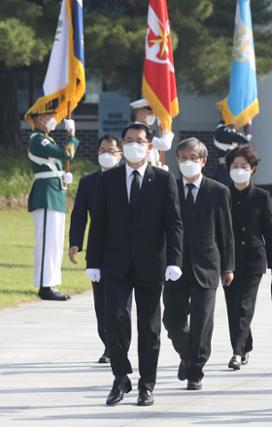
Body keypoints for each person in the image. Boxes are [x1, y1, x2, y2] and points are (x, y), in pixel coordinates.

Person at [86, 123, 183, 407]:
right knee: (114, 318)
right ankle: (120, 378)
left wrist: (174, 260)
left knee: (149, 328)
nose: (133, 145)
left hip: (152, 264)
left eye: (138, 140)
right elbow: (99, 223)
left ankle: (147, 384)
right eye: (128, 140)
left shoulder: (164, 180)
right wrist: (94, 262)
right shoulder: (109, 179)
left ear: (149, 146)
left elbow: (174, 224)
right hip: (115, 263)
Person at [163, 138, 235, 391]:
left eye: (193, 158)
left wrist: (228, 267)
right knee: (172, 320)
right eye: (183, 158)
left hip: (207, 265)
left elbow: (226, 233)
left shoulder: (218, 191)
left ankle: (196, 369)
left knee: (202, 322)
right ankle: (187, 354)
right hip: (174, 266)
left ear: (203, 161)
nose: (188, 162)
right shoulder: (167, 188)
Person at [68, 135, 124, 363]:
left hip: (125, 250)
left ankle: (119, 345)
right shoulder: (89, 183)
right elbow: (79, 215)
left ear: (120, 154)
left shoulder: (128, 181)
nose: (106, 154)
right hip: (98, 251)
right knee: (101, 305)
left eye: (111, 150)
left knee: (120, 306)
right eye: (102, 150)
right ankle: (109, 345)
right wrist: (75, 243)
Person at [224, 145, 272, 370]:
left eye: (243, 166)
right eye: (235, 166)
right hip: (229, 261)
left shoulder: (261, 196)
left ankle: (237, 352)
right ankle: (247, 344)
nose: (239, 170)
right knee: (233, 307)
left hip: (254, 259)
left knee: (245, 306)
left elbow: (268, 231)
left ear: (252, 169)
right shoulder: (222, 194)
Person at [27, 110, 79, 301]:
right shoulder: (37, 139)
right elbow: (66, 154)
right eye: (48, 117)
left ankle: (51, 282)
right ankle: (44, 285)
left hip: (55, 191)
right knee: (47, 242)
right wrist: (72, 136)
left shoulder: (46, 139)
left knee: (55, 242)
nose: (53, 120)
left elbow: (58, 161)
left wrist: (63, 179)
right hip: (46, 194)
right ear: (38, 119)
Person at [130, 98, 174, 168]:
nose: (153, 113)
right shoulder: (138, 131)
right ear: (140, 111)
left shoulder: (145, 130)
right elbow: (165, 145)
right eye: (150, 109)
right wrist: (166, 127)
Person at [205, 118, 250, 186]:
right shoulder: (222, 131)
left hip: (228, 169)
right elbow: (244, 139)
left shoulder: (224, 131)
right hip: (226, 171)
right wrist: (248, 127)